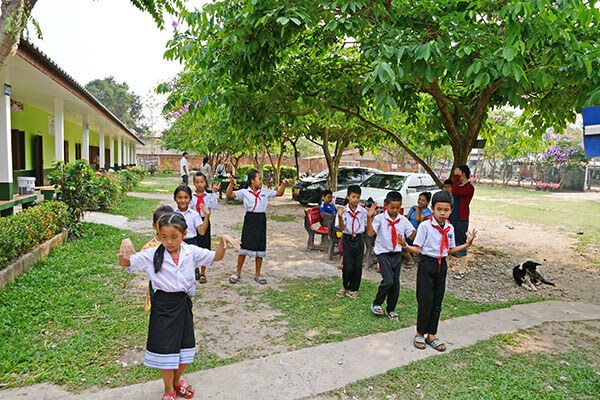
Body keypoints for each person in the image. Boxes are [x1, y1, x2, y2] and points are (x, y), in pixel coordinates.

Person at [118, 213, 239, 400]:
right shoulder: (152, 254)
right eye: (163, 236)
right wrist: (125, 242)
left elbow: (216, 257)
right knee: (167, 350)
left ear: (184, 234)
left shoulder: (192, 252)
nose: (169, 241)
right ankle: (169, 390)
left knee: (186, 346)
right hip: (163, 305)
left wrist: (223, 240)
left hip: (183, 303)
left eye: (174, 237)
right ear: (158, 234)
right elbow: (126, 263)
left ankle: (177, 381)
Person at [400, 191, 477, 352]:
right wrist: (406, 246)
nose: (442, 213)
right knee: (425, 301)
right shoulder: (425, 226)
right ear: (432, 209)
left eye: (446, 210)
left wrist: (466, 245)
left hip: (442, 266)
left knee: (437, 302)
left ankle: (432, 335)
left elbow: (449, 250)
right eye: (439, 209)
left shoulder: (449, 228)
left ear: (451, 211)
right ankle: (420, 333)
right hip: (427, 264)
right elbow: (418, 249)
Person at [226, 170, 293, 285]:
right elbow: (229, 194)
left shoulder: (265, 192)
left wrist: (283, 183)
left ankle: (257, 274)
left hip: (261, 220)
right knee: (244, 246)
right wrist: (231, 184)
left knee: (260, 246)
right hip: (250, 220)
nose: (262, 181)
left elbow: (279, 193)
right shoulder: (244, 192)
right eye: (260, 179)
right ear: (252, 181)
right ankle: (237, 273)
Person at [367, 191, 415, 320]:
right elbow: (371, 233)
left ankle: (391, 309)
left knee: (395, 284)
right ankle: (377, 303)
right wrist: (369, 217)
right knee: (388, 281)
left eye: (397, 208)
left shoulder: (403, 220)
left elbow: (411, 234)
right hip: (383, 254)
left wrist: (416, 232)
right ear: (385, 205)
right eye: (392, 207)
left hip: (397, 255)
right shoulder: (380, 218)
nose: (395, 210)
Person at [173, 186, 211, 294]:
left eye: (186, 197)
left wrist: (207, 216)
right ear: (175, 198)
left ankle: (189, 295)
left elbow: (202, 232)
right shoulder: (172, 214)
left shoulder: (194, 214)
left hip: (191, 244)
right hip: (176, 245)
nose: (183, 200)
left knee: (189, 274)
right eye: (179, 197)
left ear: (190, 199)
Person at [335, 185, 368, 299]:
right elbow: (343, 228)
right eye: (353, 197)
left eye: (358, 197)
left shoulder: (362, 211)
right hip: (347, 239)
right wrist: (339, 217)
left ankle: (352, 289)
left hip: (358, 239)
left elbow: (365, 226)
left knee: (358, 265)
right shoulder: (343, 211)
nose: (355, 200)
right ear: (348, 197)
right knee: (347, 266)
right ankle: (344, 286)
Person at [142, 204, 174, 312]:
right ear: (154, 225)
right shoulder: (148, 248)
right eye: (161, 222)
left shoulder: (181, 245)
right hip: (157, 291)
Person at [189, 172, 220, 284]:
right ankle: (195, 269)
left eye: (202, 182)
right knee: (193, 245)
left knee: (204, 246)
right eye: (197, 182)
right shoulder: (191, 196)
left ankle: (203, 272)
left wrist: (215, 193)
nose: (199, 184)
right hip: (193, 223)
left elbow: (214, 206)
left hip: (205, 221)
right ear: (194, 183)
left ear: (205, 182)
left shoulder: (209, 195)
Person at [448, 165, 475, 277]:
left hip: (461, 218)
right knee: (448, 240)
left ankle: (462, 269)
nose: (456, 173)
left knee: (462, 241)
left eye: (458, 172)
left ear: (463, 173)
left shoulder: (469, 187)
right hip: (452, 217)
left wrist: (457, 177)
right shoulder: (458, 185)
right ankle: (446, 264)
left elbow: (455, 192)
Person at [404, 192, 433, 267]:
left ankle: (410, 260)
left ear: (427, 202)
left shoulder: (428, 212)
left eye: (423, 200)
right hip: (408, 230)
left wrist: (417, 210)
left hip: (417, 232)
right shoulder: (413, 208)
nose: (420, 202)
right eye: (419, 199)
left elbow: (417, 219)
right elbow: (407, 218)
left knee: (403, 243)